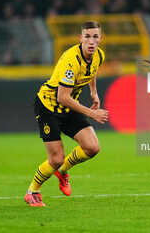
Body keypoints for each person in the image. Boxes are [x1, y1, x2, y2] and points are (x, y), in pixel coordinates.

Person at [24, 21, 108, 207]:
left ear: (100, 39)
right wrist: (92, 114)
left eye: (95, 37)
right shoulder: (71, 61)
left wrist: (94, 92)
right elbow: (62, 97)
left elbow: (92, 72)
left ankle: (63, 171)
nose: (92, 41)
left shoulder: (98, 55)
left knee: (92, 147)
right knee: (55, 158)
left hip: (70, 107)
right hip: (49, 107)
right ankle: (33, 191)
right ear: (81, 38)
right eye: (87, 36)